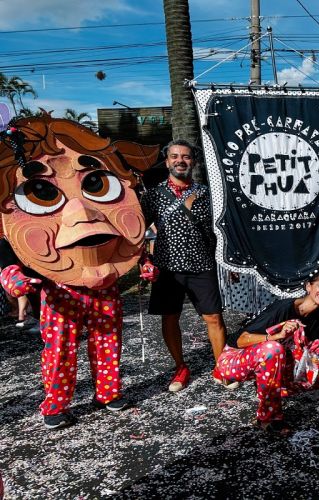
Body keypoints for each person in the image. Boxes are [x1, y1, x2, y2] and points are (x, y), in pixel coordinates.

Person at [0, 116, 159, 429]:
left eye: (96, 183)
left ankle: (109, 392)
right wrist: (11, 276)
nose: (82, 212)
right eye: (41, 191)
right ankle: (56, 404)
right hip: (59, 291)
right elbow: (8, 252)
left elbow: (130, 236)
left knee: (109, 342)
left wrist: (144, 262)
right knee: (59, 351)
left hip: (106, 289)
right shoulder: (10, 213)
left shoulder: (117, 204)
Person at [140, 139, 230, 392]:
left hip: (203, 264)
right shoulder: (154, 196)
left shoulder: (206, 193)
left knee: (213, 317)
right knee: (170, 317)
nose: (180, 160)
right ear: (167, 161)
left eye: (186, 156)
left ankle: (222, 366)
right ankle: (180, 367)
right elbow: (137, 229)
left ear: (194, 161)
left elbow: (222, 230)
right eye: (175, 156)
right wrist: (143, 259)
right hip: (167, 267)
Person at [214, 271, 319, 435]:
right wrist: (276, 336)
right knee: (273, 348)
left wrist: (313, 350)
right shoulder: (284, 307)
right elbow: (240, 340)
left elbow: (305, 354)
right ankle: (269, 417)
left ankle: (268, 388)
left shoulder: (316, 314)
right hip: (232, 360)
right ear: (309, 286)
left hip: (269, 361)